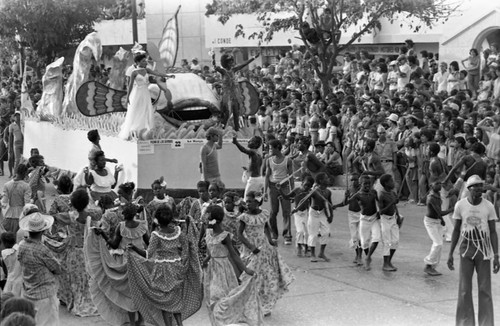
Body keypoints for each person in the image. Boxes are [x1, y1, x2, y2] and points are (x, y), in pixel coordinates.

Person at [127, 204, 203, 326]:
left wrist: (134, 249)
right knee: (176, 299)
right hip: (176, 268)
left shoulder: (156, 235)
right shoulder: (179, 232)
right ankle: (179, 324)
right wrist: (182, 265)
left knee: (164, 301)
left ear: (156, 220)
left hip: (161, 270)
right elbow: (185, 249)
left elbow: (148, 254)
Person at [447, 175, 499, 326]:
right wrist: (450, 254)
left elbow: (493, 232)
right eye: (476, 187)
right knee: (464, 289)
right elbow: (456, 230)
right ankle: (465, 323)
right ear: (469, 189)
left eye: (480, 186)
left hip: (483, 251)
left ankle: (486, 323)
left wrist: (496, 255)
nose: (479, 189)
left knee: (485, 289)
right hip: (466, 251)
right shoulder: (460, 206)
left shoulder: (488, 206)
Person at [202, 205, 263, 326]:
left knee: (222, 299)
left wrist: (245, 269)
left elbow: (234, 255)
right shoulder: (208, 232)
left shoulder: (225, 236)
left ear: (214, 220)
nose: (204, 220)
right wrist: (207, 259)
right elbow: (210, 250)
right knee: (212, 299)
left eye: (206, 217)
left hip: (224, 270)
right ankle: (219, 323)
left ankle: (227, 321)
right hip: (211, 270)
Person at [238, 191, 295, 316]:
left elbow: (266, 227)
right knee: (250, 276)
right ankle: (249, 303)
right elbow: (239, 234)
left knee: (264, 277)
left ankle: (264, 303)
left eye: (250, 201)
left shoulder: (263, 214)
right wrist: (251, 246)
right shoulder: (244, 217)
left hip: (264, 249)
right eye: (246, 201)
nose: (247, 204)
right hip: (251, 250)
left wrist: (270, 240)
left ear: (257, 202)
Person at [17, 211, 63, 326]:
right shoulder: (42, 250)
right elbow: (57, 268)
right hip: (44, 294)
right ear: (43, 230)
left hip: (28, 291)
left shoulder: (22, 245)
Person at [118, 53, 175, 140]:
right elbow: (130, 85)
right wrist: (127, 98)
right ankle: (133, 129)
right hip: (136, 93)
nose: (145, 62)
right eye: (143, 61)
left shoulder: (147, 70)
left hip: (145, 92)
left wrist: (168, 76)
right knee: (135, 110)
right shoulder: (134, 72)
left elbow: (157, 73)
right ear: (138, 62)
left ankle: (145, 129)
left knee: (146, 110)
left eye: (145, 61)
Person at [211, 51, 260, 130]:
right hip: (226, 95)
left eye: (232, 62)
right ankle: (222, 128)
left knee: (236, 112)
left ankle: (237, 130)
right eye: (230, 62)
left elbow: (244, 64)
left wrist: (254, 57)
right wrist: (213, 57)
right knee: (227, 113)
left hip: (235, 94)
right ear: (225, 63)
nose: (231, 63)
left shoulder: (234, 70)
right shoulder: (223, 71)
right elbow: (214, 67)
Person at [345, 174, 380, 271]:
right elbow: (347, 202)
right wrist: (346, 196)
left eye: (369, 183)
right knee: (364, 243)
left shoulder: (374, 192)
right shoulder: (357, 195)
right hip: (364, 219)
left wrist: (380, 211)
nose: (368, 185)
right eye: (365, 184)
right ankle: (366, 255)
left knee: (376, 238)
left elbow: (379, 202)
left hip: (374, 218)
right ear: (360, 184)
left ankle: (368, 257)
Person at [264, 139, 293, 245]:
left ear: (277, 148)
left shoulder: (287, 160)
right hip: (273, 187)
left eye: (271, 148)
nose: (269, 150)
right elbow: (267, 176)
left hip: (284, 187)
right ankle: (274, 234)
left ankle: (287, 235)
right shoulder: (269, 160)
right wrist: (265, 191)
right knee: (273, 211)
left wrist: (292, 191)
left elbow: (291, 177)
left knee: (286, 211)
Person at [424, 181, 454, 276]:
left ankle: (432, 266)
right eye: (436, 184)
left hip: (436, 221)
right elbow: (439, 212)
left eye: (440, 184)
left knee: (439, 245)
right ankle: (428, 265)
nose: (439, 185)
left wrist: (441, 220)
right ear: (431, 185)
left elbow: (438, 213)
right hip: (430, 222)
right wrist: (452, 209)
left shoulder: (438, 194)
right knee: (438, 243)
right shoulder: (431, 198)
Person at [333, 173, 363, 265]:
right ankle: (357, 254)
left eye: (355, 179)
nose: (354, 181)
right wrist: (336, 205)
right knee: (354, 236)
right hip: (351, 215)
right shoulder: (349, 190)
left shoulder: (362, 190)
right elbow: (345, 203)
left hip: (361, 214)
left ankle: (359, 256)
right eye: (352, 180)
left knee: (360, 236)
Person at [282, 175, 314, 257]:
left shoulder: (309, 193)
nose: (306, 187)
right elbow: (286, 196)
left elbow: (311, 204)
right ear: (302, 183)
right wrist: (280, 191)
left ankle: (306, 248)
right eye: (305, 185)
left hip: (306, 213)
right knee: (300, 231)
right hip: (297, 213)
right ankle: (299, 247)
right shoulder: (296, 190)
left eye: (309, 186)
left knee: (307, 232)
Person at [307, 172, 333, 262]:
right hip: (313, 213)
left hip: (322, 213)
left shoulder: (328, 192)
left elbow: (330, 204)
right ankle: (312, 254)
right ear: (321, 181)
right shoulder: (315, 191)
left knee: (326, 232)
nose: (328, 179)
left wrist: (331, 216)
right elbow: (305, 199)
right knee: (313, 234)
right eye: (326, 178)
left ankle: (321, 253)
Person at [377, 174, 400, 271]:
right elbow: (381, 211)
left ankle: (388, 261)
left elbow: (395, 206)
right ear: (386, 183)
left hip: (393, 218)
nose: (393, 183)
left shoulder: (393, 193)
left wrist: (398, 214)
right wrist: (392, 202)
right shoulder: (382, 195)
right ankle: (385, 264)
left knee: (395, 241)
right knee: (387, 242)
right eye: (391, 181)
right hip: (385, 220)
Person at [1, 163, 31, 234]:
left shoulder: (7, 185)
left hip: (9, 215)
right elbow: (27, 204)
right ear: (25, 173)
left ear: (16, 171)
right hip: (21, 215)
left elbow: (4, 203)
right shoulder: (26, 186)